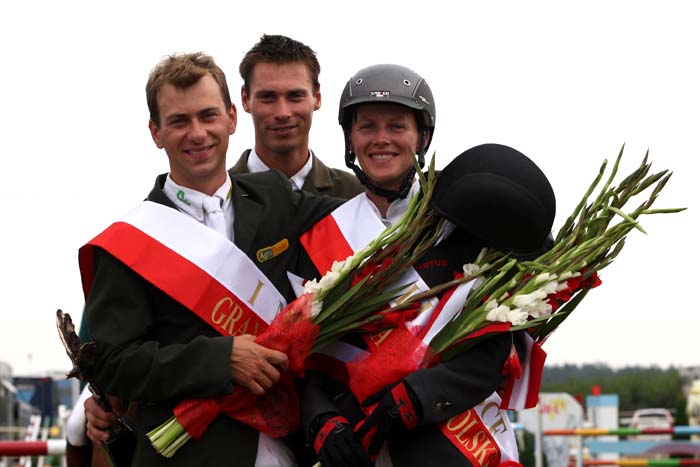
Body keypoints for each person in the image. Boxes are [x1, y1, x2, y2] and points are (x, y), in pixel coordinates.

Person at [81, 52, 340, 467]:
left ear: (232, 118)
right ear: (156, 132)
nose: (197, 133)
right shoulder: (130, 242)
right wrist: (220, 360)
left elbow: (360, 217)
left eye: (208, 116)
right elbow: (113, 364)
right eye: (179, 121)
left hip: (289, 447)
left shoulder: (275, 196)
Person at [298, 64, 556, 467]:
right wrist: (319, 419)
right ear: (350, 138)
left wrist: (419, 396)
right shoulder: (321, 236)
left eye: (396, 126)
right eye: (367, 126)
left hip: (456, 445)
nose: (381, 139)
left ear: (423, 137)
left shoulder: (467, 220)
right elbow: (306, 355)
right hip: (361, 448)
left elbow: (497, 344)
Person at [231, 34, 362, 198]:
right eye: (268, 97)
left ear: (317, 97)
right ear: (245, 99)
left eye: (295, 96)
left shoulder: (356, 196)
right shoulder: (216, 196)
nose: (282, 113)